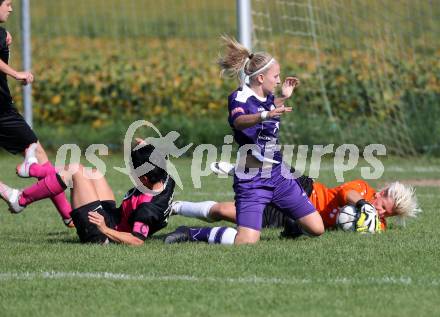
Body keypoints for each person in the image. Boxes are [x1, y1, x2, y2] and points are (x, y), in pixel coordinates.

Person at [165, 36, 324, 245]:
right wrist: (266, 115)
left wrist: (284, 96)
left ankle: (289, 224)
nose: (278, 80)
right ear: (260, 78)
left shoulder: (266, 98)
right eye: (275, 76)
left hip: (278, 175)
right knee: (246, 241)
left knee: (317, 229)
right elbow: (239, 121)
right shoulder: (239, 97)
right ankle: (192, 232)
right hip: (252, 180)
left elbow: (265, 106)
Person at [0, 143, 175, 245]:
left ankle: (21, 199)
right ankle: (35, 171)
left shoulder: (147, 209)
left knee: (76, 170)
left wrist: (104, 229)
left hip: (102, 232)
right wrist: (145, 148)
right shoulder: (164, 177)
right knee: (93, 172)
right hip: (114, 217)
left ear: (144, 178)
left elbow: (137, 241)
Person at [0, 0, 72, 227]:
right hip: (1, 111)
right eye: (7, 4)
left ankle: (11, 195)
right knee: (37, 152)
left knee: (36, 152)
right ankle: (69, 215)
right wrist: (17, 74)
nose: (11, 9)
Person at [170, 174, 420, 237]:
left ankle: (176, 207)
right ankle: (242, 170)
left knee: (223, 212)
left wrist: (367, 225)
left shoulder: (379, 224)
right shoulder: (364, 190)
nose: (381, 212)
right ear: (382, 192)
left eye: (388, 213)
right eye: (383, 205)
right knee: (270, 172)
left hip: (294, 217)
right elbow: (347, 193)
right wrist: (364, 205)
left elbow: (370, 232)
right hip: (303, 190)